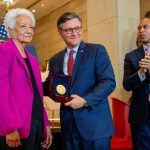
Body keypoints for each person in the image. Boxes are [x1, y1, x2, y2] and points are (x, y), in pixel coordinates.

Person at [43, 12, 116, 150]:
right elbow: (51, 86)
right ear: (60, 32)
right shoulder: (55, 59)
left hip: (95, 126)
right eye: (69, 30)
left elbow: (108, 82)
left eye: (78, 28)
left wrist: (84, 101)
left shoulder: (96, 51)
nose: (74, 33)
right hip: (68, 126)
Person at [0, 8, 52, 150]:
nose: (29, 30)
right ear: (11, 31)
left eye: (31, 27)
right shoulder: (3, 51)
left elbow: (38, 95)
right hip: (16, 126)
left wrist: (46, 124)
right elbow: (1, 91)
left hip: (35, 122)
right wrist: (9, 127)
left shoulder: (33, 60)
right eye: (23, 26)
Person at [123, 16, 150, 149]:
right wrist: (142, 71)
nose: (141, 30)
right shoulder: (131, 56)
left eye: (145, 27)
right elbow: (126, 85)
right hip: (141, 117)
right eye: (139, 27)